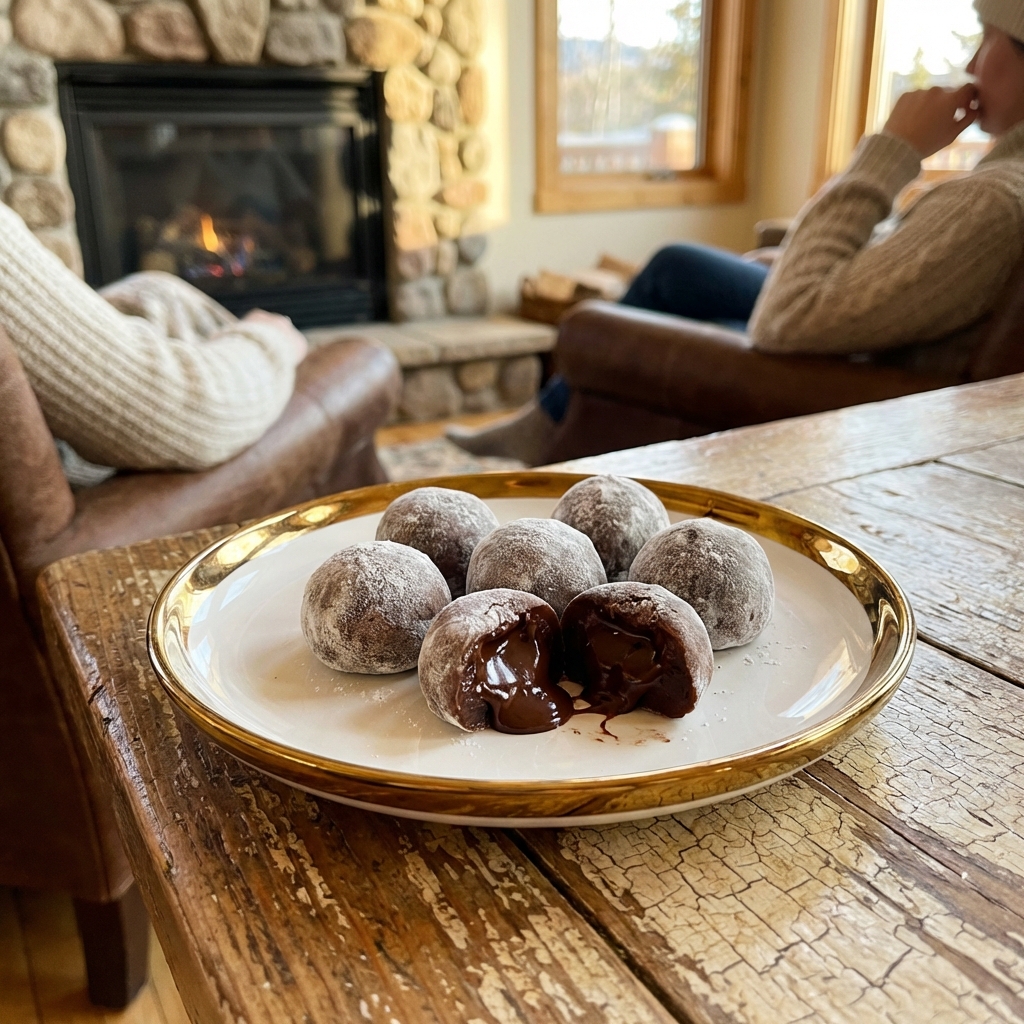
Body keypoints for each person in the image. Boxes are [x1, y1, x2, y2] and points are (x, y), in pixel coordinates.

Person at [450, 0, 1024, 464]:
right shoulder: (1000, 183)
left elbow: (789, 318)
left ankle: (547, 422)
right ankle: (546, 419)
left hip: (845, 362)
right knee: (680, 271)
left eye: (987, 36)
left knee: (668, 278)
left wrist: (892, 151)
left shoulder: (993, 199)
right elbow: (905, 279)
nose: (973, 63)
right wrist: (798, 260)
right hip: (857, 331)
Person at [0, 199, 309, 486]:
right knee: (159, 299)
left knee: (154, 295)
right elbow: (194, 412)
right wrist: (271, 340)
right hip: (94, 473)